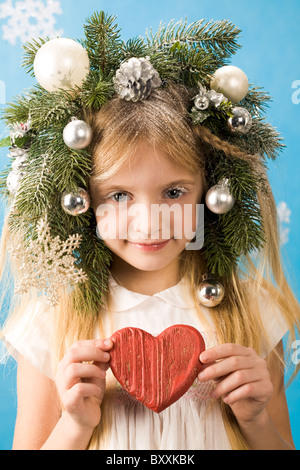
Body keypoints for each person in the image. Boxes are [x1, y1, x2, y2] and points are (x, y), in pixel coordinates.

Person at [0, 13, 299, 451]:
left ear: (210, 188)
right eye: (119, 195)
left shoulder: (250, 309)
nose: (151, 220)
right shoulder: (54, 322)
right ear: (83, 198)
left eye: (174, 191)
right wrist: (74, 425)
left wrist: (255, 418)